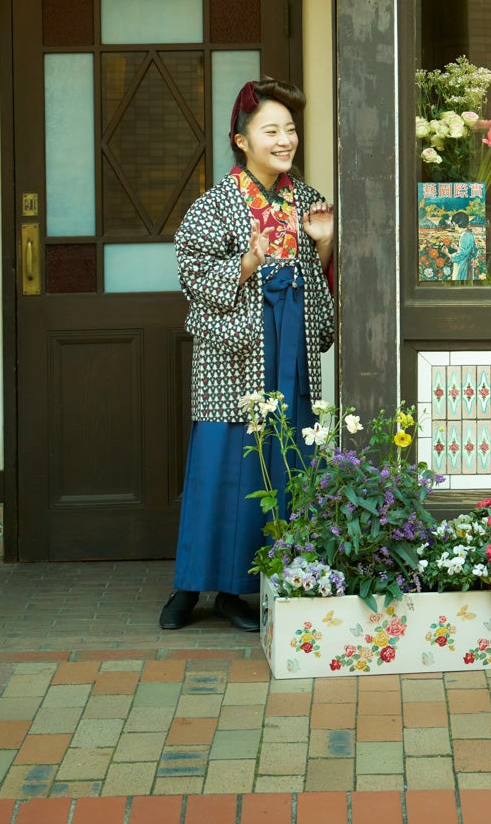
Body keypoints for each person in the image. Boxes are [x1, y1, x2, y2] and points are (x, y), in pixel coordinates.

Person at [163, 78, 336, 632]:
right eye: (271, 130)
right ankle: (191, 586)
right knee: (223, 465)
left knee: (286, 457)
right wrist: (245, 264)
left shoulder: (307, 199)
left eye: (289, 130)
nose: (285, 140)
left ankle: (255, 586)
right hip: (235, 352)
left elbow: (321, 279)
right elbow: (192, 275)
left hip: (290, 346)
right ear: (241, 141)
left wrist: (324, 245)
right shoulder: (214, 206)